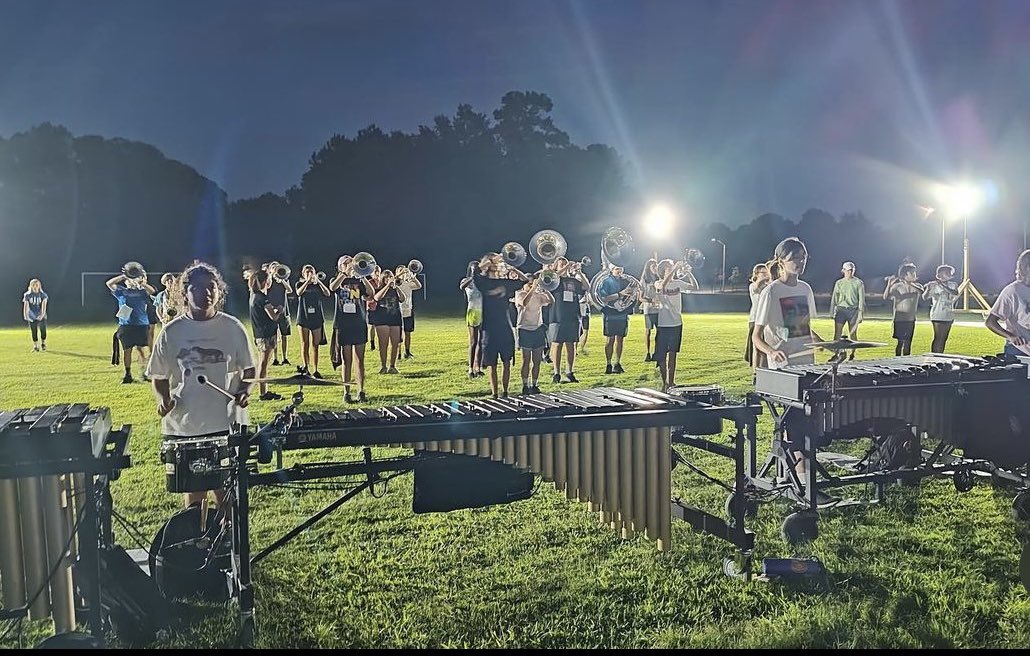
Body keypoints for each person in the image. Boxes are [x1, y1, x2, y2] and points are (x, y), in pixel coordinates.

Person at [146, 262, 255, 510]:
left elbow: (249, 369)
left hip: (225, 423)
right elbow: (159, 375)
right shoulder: (171, 332)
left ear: (219, 292)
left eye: (211, 288)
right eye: (198, 288)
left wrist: (244, 392)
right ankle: (198, 542)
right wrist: (164, 400)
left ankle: (229, 543)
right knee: (195, 498)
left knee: (227, 494)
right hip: (186, 425)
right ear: (185, 294)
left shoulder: (233, 327)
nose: (206, 294)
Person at [751, 237, 828, 500]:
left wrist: (825, 343)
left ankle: (800, 477)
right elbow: (756, 337)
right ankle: (803, 483)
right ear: (781, 261)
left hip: (807, 364)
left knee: (810, 421)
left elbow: (802, 327)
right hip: (783, 368)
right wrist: (772, 351)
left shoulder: (805, 289)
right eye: (795, 257)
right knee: (795, 424)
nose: (801, 262)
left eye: (804, 257)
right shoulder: (771, 291)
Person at [474, 253, 528, 397]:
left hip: (505, 327)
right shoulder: (483, 281)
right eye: (494, 262)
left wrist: (513, 269)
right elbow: (476, 273)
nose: (497, 263)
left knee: (506, 362)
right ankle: (494, 393)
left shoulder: (505, 282)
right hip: (489, 328)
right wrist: (489, 261)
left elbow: (525, 280)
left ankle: (505, 391)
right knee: (492, 364)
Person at [330, 257, 375, 403]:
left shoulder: (359, 281)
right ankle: (347, 392)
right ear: (340, 266)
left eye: (351, 262)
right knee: (346, 360)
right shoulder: (337, 279)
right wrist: (344, 273)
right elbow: (333, 288)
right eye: (345, 263)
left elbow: (371, 293)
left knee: (360, 360)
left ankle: (361, 391)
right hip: (343, 324)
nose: (349, 265)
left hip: (358, 323)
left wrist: (363, 276)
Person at [654, 259, 698, 390]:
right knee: (662, 355)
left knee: (673, 354)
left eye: (671, 268)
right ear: (663, 271)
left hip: (676, 323)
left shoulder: (678, 283)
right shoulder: (658, 283)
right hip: (663, 324)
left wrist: (689, 273)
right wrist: (674, 269)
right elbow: (662, 288)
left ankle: (671, 382)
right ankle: (664, 382)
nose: (671, 270)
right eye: (668, 268)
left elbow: (695, 287)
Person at [106, 270, 156, 383]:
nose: (131, 281)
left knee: (142, 350)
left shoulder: (142, 292)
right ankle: (128, 375)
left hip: (141, 325)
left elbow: (151, 291)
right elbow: (109, 283)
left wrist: (140, 282)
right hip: (126, 325)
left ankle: (144, 372)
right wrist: (124, 276)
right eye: (129, 280)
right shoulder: (121, 291)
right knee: (127, 351)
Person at [548, 257, 590, 384]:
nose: (565, 265)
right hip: (558, 316)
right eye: (561, 264)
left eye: (565, 263)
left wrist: (579, 272)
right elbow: (551, 277)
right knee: (557, 344)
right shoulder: (554, 280)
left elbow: (586, 286)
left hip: (573, 315)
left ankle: (569, 371)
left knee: (571, 345)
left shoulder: (573, 280)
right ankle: (556, 373)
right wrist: (565, 268)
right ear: (556, 266)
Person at [514, 272, 554, 394]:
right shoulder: (519, 294)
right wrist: (532, 289)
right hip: (524, 329)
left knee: (537, 360)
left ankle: (535, 384)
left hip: (537, 329)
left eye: (533, 283)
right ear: (524, 286)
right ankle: (525, 384)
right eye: (529, 284)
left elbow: (552, 301)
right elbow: (524, 303)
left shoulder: (538, 295)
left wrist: (546, 289)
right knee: (526, 359)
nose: (532, 285)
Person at [248, 269, 285, 401]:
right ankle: (263, 393)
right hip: (266, 334)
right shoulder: (263, 298)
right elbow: (274, 317)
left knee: (262, 364)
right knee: (263, 365)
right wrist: (279, 310)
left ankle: (264, 391)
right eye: (268, 280)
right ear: (264, 282)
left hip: (259, 334)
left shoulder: (253, 296)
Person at [986, 249, 1030, 357]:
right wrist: (1010, 336)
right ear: (1024, 268)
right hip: (1019, 351)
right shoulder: (1012, 291)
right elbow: (990, 322)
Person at [597, 266, 638, 374]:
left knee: (620, 339)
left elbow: (633, 296)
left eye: (620, 269)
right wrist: (620, 294)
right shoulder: (606, 281)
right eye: (616, 269)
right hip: (610, 313)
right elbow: (604, 298)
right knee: (610, 340)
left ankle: (617, 363)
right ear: (611, 270)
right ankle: (608, 364)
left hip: (622, 314)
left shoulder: (625, 281)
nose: (619, 271)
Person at [295, 265, 330, 377]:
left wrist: (318, 281)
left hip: (316, 318)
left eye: (311, 271)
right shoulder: (299, 284)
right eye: (307, 272)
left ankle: (315, 369)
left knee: (316, 345)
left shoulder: (317, 285)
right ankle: (306, 367)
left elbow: (327, 293)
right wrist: (307, 281)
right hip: (303, 317)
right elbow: (299, 293)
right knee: (304, 344)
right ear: (303, 274)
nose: (309, 273)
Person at [883, 263, 923, 356]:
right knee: (900, 342)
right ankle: (897, 360)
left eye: (915, 273)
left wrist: (911, 284)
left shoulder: (917, 286)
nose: (914, 275)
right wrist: (889, 285)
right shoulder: (897, 286)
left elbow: (922, 293)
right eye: (912, 274)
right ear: (905, 275)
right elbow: (886, 297)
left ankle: (907, 361)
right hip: (899, 319)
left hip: (910, 319)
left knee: (908, 343)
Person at [829, 261, 866, 360]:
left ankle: (852, 353)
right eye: (848, 270)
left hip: (853, 311)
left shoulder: (858, 283)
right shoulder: (839, 283)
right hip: (841, 309)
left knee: (852, 333)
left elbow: (861, 300)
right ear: (843, 271)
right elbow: (834, 298)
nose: (850, 272)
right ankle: (836, 353)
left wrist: (860, 314)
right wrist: (832, 311)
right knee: (837, 333)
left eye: (851, 270)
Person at [372, 270, 407, 374]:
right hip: (382, 318)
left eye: (390, 277)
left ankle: (392, 366)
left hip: (395, 318)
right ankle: (383, 366)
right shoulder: (379, 288)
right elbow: (376, 297)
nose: (389, 279)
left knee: (395, 344)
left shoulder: (395, 289)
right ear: (383, 279)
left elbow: (402, 299)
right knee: (383, 344)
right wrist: (387, 286)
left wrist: (396, 287)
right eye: (387, 277)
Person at [923, 264, 959, 353]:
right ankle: (934, 356)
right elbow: (925, 297)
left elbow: (955, 292)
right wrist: (928, 289)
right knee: (938, 337)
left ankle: (940, 355)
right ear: (939, 274)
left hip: (949, 314)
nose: (949, 275)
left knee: (944, 338)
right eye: (946, 273)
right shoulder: (934, 285)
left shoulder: (953, 284)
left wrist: (942, 285)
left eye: (949, 273)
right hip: (938, 314)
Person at [459, 262, 484, 379]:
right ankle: (470, 368)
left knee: (481, 341)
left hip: (483, 311)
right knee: (473, 341)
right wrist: (472, 277)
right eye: (474, 269)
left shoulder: (483, 281)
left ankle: (478, 367)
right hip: (473, 311)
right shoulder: (467, 280)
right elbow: (462, 287)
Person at [266, 264, 293, 366]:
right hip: (272, 311)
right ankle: (275, 358)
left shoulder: (284, 279)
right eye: (273, 268)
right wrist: (271, 278)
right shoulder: (269, 281)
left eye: (277, 267)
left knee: (284, 335)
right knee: (274, 336)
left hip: (284, 311)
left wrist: (283, 281)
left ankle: (285, 357)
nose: (276, 269)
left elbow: (290, 290)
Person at [395, 265, 423, 359]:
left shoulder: (408, 283)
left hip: (408, 310)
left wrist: (413, 278)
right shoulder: (396, 283)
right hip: (398, 311)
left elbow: (419, 286)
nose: (403, 272)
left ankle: (407, 352)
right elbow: (393, 280)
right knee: (398, 334)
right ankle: (397, 353)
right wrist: (401, 273)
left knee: (408, 333)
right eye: (400, 270)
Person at [745, 264, 770, 369]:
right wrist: (764, 278)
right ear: (756, 274)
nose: (766, 275)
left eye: (766, 272)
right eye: (763, 273)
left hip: (766, 320)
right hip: (755, 320)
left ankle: (763, 370)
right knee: (757, 348)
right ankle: (756, 373)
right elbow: (756, 287)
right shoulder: (753, 286)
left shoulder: (768, 287)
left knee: (765, 349)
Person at [639, 258, 660, 362]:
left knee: (659, 331)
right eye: (653, 266)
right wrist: (650, 300)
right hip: (648, 310)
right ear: (648, 268)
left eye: (656, 266)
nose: (655, 268)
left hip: (659, 310)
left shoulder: (659, 278)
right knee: (648, 331)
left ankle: (657, 352)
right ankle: (647, 353)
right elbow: (640, 298)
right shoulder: (644, 280)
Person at [23, 278, 49, 352]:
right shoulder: (27, 295)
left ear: (39, 286)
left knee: (43, 331)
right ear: (31, 286)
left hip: (41, 314)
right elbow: (26, 305)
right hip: (32, 315)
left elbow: (44, 306)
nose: (35, 286)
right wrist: (26, 315)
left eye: (36, 285)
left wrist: (42, 315)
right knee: (34, 331)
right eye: (33, 285)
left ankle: (43, 343)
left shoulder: (43, 294)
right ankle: (35, 346)